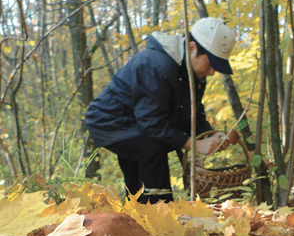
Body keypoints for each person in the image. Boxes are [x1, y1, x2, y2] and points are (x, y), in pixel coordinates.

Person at [85, 17, 235, 203]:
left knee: (142, 172)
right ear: (191, 48)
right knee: (152, 149)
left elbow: (192, 113)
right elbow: (151, 123)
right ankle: (159, 213)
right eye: (210, 63)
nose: (212, 72)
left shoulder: (194, 73)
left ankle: (139, 212)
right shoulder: (156, 64)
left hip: (139, 123)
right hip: (109, 121)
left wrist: (210, 135)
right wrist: (195, 145)